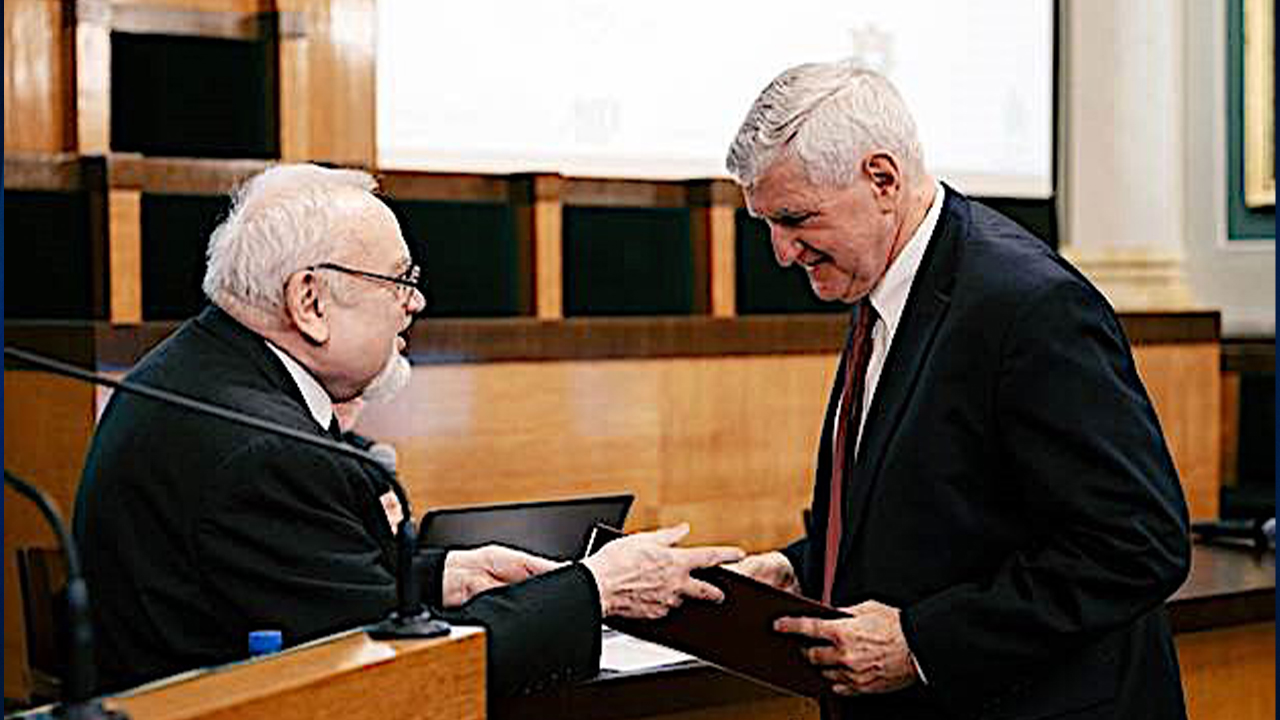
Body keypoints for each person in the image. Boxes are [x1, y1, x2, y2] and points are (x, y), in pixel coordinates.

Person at [73, 164, 743, 696]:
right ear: (309, 300)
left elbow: (324, 595)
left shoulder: (208, 374)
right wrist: (596, 590)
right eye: (398, 281)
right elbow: (395, 670)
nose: (415, 303)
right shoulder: (262, 449)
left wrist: (446, 576)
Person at [723, 60, 1190, 719]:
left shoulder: (1030, 305)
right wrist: (800, 568)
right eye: (766, 223)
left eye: (796, 219)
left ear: (882, 180)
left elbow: (1137, 544)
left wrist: (920, 642)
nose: (781, 252)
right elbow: (947, 510)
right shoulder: (884, 280)